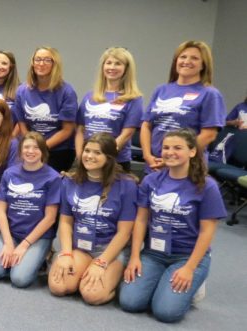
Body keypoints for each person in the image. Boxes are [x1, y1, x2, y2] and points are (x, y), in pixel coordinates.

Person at [120, 129, 226, 323]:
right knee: (130, 302)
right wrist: (135, 256)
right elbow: (141, 220)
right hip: (154, 253)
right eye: (166, 147)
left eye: (178, 148)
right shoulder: (151, 180)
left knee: (166, 313)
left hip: (187, 255)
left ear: (192, 152)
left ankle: (193, 285)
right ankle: (162, 280)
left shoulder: (206, 185)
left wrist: (189, 268)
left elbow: (207, 231)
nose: (170, 152)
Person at [48, 133, 137, 305]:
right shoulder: (71, 181)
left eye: (97, 153)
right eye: (87, 150)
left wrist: (102, 262)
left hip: (109, 250)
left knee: (92, 295)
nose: (89, 156)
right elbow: (66, 222)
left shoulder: (127, 185)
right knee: (58, 287)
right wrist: (66, 253)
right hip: (81, 247)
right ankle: (85, 270)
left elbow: (125, 233)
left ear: (109, 157)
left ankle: (114, 278)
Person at [0, 131, 61, 288]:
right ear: (20, 151)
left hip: (37, 238)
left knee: (19, 279)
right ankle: (18, 260)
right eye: (26, 147)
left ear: (43, 152)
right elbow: (0, 211)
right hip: (11, 234)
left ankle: (40, 258)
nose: (30, 151)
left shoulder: (52, 178)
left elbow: (50, 218)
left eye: (36, 148)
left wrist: (24, 245)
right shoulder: (9, 173)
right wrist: (7, 242)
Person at [140, 41, 225, 173]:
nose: (187, 61)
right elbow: (146, 125)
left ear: (203, 65)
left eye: (195, 58)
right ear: (176, 61)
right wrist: (147, 156)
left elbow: (209, 135)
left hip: (188, 168)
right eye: (183, 57)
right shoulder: (161, 89)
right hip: (154, 165)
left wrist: (173, 159)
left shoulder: (210, 94)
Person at [75, 47, 143, 172]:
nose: (112, 67)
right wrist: (81, 155)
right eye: (109, 63)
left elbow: (127, 134)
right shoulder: (90, 96)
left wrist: (103, 156)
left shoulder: (133, 98)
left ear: (126, 69)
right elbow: (80, 130)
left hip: (115, 161)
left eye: (118, 63)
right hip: (88, 161)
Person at [13, 47, 78, 172]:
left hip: (59, 151)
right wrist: (31, 146)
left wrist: (41, 147)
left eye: (47, 60)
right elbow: (22, 124)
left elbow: (67, 130)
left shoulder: (66, 92)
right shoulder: (22, 91)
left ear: (55, 64)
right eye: (38, 59)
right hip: (32, 150)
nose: (41, 64)